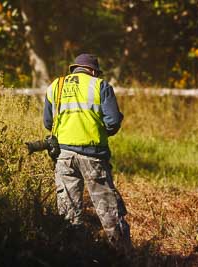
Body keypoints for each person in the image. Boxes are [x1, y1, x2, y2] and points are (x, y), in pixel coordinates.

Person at [43, 53, 132, 254]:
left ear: (74, 68)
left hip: (63, 156)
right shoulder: (100, 85)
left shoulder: (55, 86)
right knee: (109, 210)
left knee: (68, 211)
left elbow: (48, 123)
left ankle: (72, 254)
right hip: (93, 156)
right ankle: (122, 255)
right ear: (93, 71)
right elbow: (113, 122)